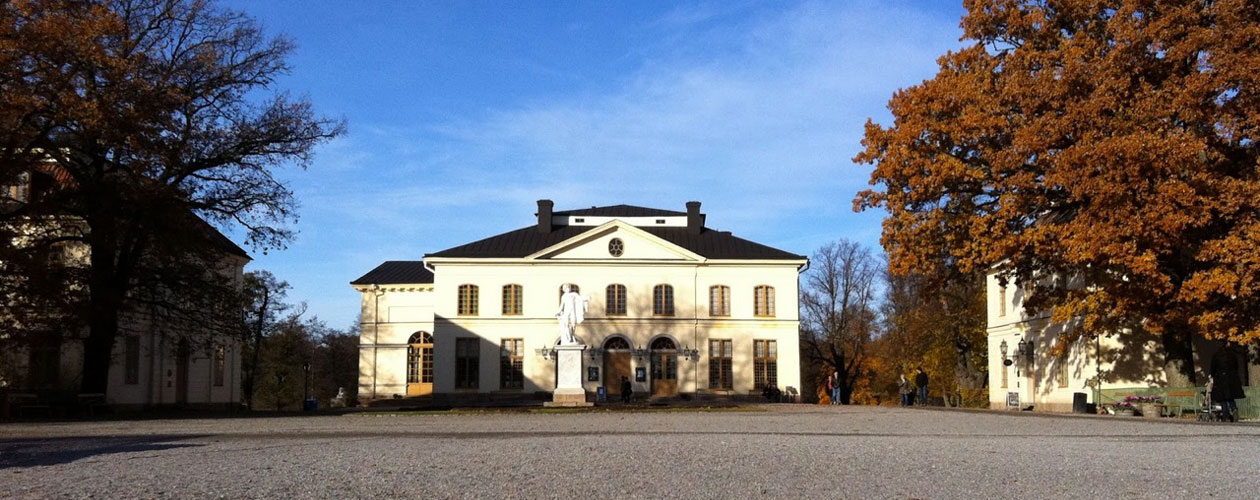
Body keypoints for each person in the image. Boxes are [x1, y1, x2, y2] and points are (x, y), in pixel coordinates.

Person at [1210, 342, 1245, 422]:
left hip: (1220, 378)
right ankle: (1234, 409)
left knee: (1222, 398)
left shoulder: (1216, 355)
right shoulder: (1232, 355)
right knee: (1230, 396)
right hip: (1231, 378)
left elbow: (1213, 367)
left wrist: (1212, 375)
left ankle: (1226, 415)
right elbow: (1236, 366)